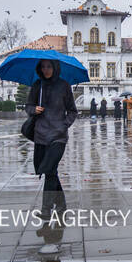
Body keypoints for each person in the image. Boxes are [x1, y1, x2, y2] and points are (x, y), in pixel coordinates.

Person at [25, 59, 78, 218]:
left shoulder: (64, 86)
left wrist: (64, 125)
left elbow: (73, 111)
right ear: (40, 68)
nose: (46, 69)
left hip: (58, 137)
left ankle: (46, 210)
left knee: (49, 169)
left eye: (49, 66)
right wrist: (34, 109)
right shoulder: (37, 86)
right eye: (43, 67)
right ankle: (61, 205)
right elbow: (28, 106)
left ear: (55, 68)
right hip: (41, 136)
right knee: (51, 172)